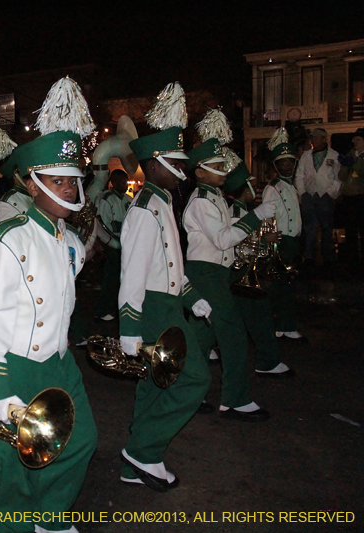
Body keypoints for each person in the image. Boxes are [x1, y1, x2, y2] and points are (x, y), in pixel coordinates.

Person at [0, 130, 97, 533]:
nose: (68, 188)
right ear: (32, 186)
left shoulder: (70, 240)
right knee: (13, 465)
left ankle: (49, 516)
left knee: (80, 440)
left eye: (72, 181)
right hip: (18, 365)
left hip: (60, 362)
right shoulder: (7, 239)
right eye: (57, 180)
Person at [118, 82, 213, 491]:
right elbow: (133, 276)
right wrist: (129, 328)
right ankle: (144, 451)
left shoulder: (162, 203)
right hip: (153, 310)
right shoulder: (144, 209)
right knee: (194, 380)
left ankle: (134, 463)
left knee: (155, 385)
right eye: (175, 162)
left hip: (168, 306)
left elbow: (170, 266)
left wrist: (193, 298)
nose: (182, 170)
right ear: (155, 165)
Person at [182, 137, 276, 421]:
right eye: (217, 166)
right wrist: (256, 216)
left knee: (201, 337)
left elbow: (225, 232)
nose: (224, 170)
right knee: (233, 333)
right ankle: (235, 400)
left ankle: (187, 394)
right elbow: (223, 240)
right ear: (200, 172)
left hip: (214, 272)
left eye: (223, 165)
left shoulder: (213, 197)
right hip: (206, 272)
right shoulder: (202, 201)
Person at [224, 162, 293, 378]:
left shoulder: (244, 210)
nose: (255, 190)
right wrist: (264, 241)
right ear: (244, 191)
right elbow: (238, 244)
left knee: (235, 320)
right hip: (240, 271)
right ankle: (267, 362)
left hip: (244, 270)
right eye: (251, 187)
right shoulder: (236, 212)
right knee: (260, 318)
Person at [264, 129, 306, 340]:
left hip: (293, 240)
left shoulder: (292, 186)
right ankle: (281, 325)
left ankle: (283, 324)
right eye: (283, 163)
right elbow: (267, 216)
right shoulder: (273, 188)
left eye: (290, 162)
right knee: (281, 285)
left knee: (287, 285)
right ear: (276, 165)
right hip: (281, 240)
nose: (287, 166)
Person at [295, 128, 341, 266]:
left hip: (325, 196)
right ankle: (310, 256)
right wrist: (302, 192)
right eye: (312, 138)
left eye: (316, 138)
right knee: (310, 228)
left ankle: (328, 256)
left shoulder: (334, 155)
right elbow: (299, 174)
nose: (313, 140)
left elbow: (338, 177)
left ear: (323, 139)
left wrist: (331, 192)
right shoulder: (306, 155)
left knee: (327, 227)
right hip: (309, 195)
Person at [93, 169, 130, 321]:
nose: (125, 185)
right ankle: (102, 309)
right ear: (113, 182)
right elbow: (103, 222)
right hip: (111, 243)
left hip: (125, 243)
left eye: (126, 182)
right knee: (111, 277)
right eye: (122, 182)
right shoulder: (106, 199)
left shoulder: (128, 200)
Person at [339, 128, 364, 265]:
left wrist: (354, 165)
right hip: (349, 197)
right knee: (350, 229)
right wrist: (344, 165)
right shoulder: (350, 154)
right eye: (354, 140)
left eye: (359, 140)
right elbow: (341, 176)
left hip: (361, 196)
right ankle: (352, 259)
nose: (355, 142)